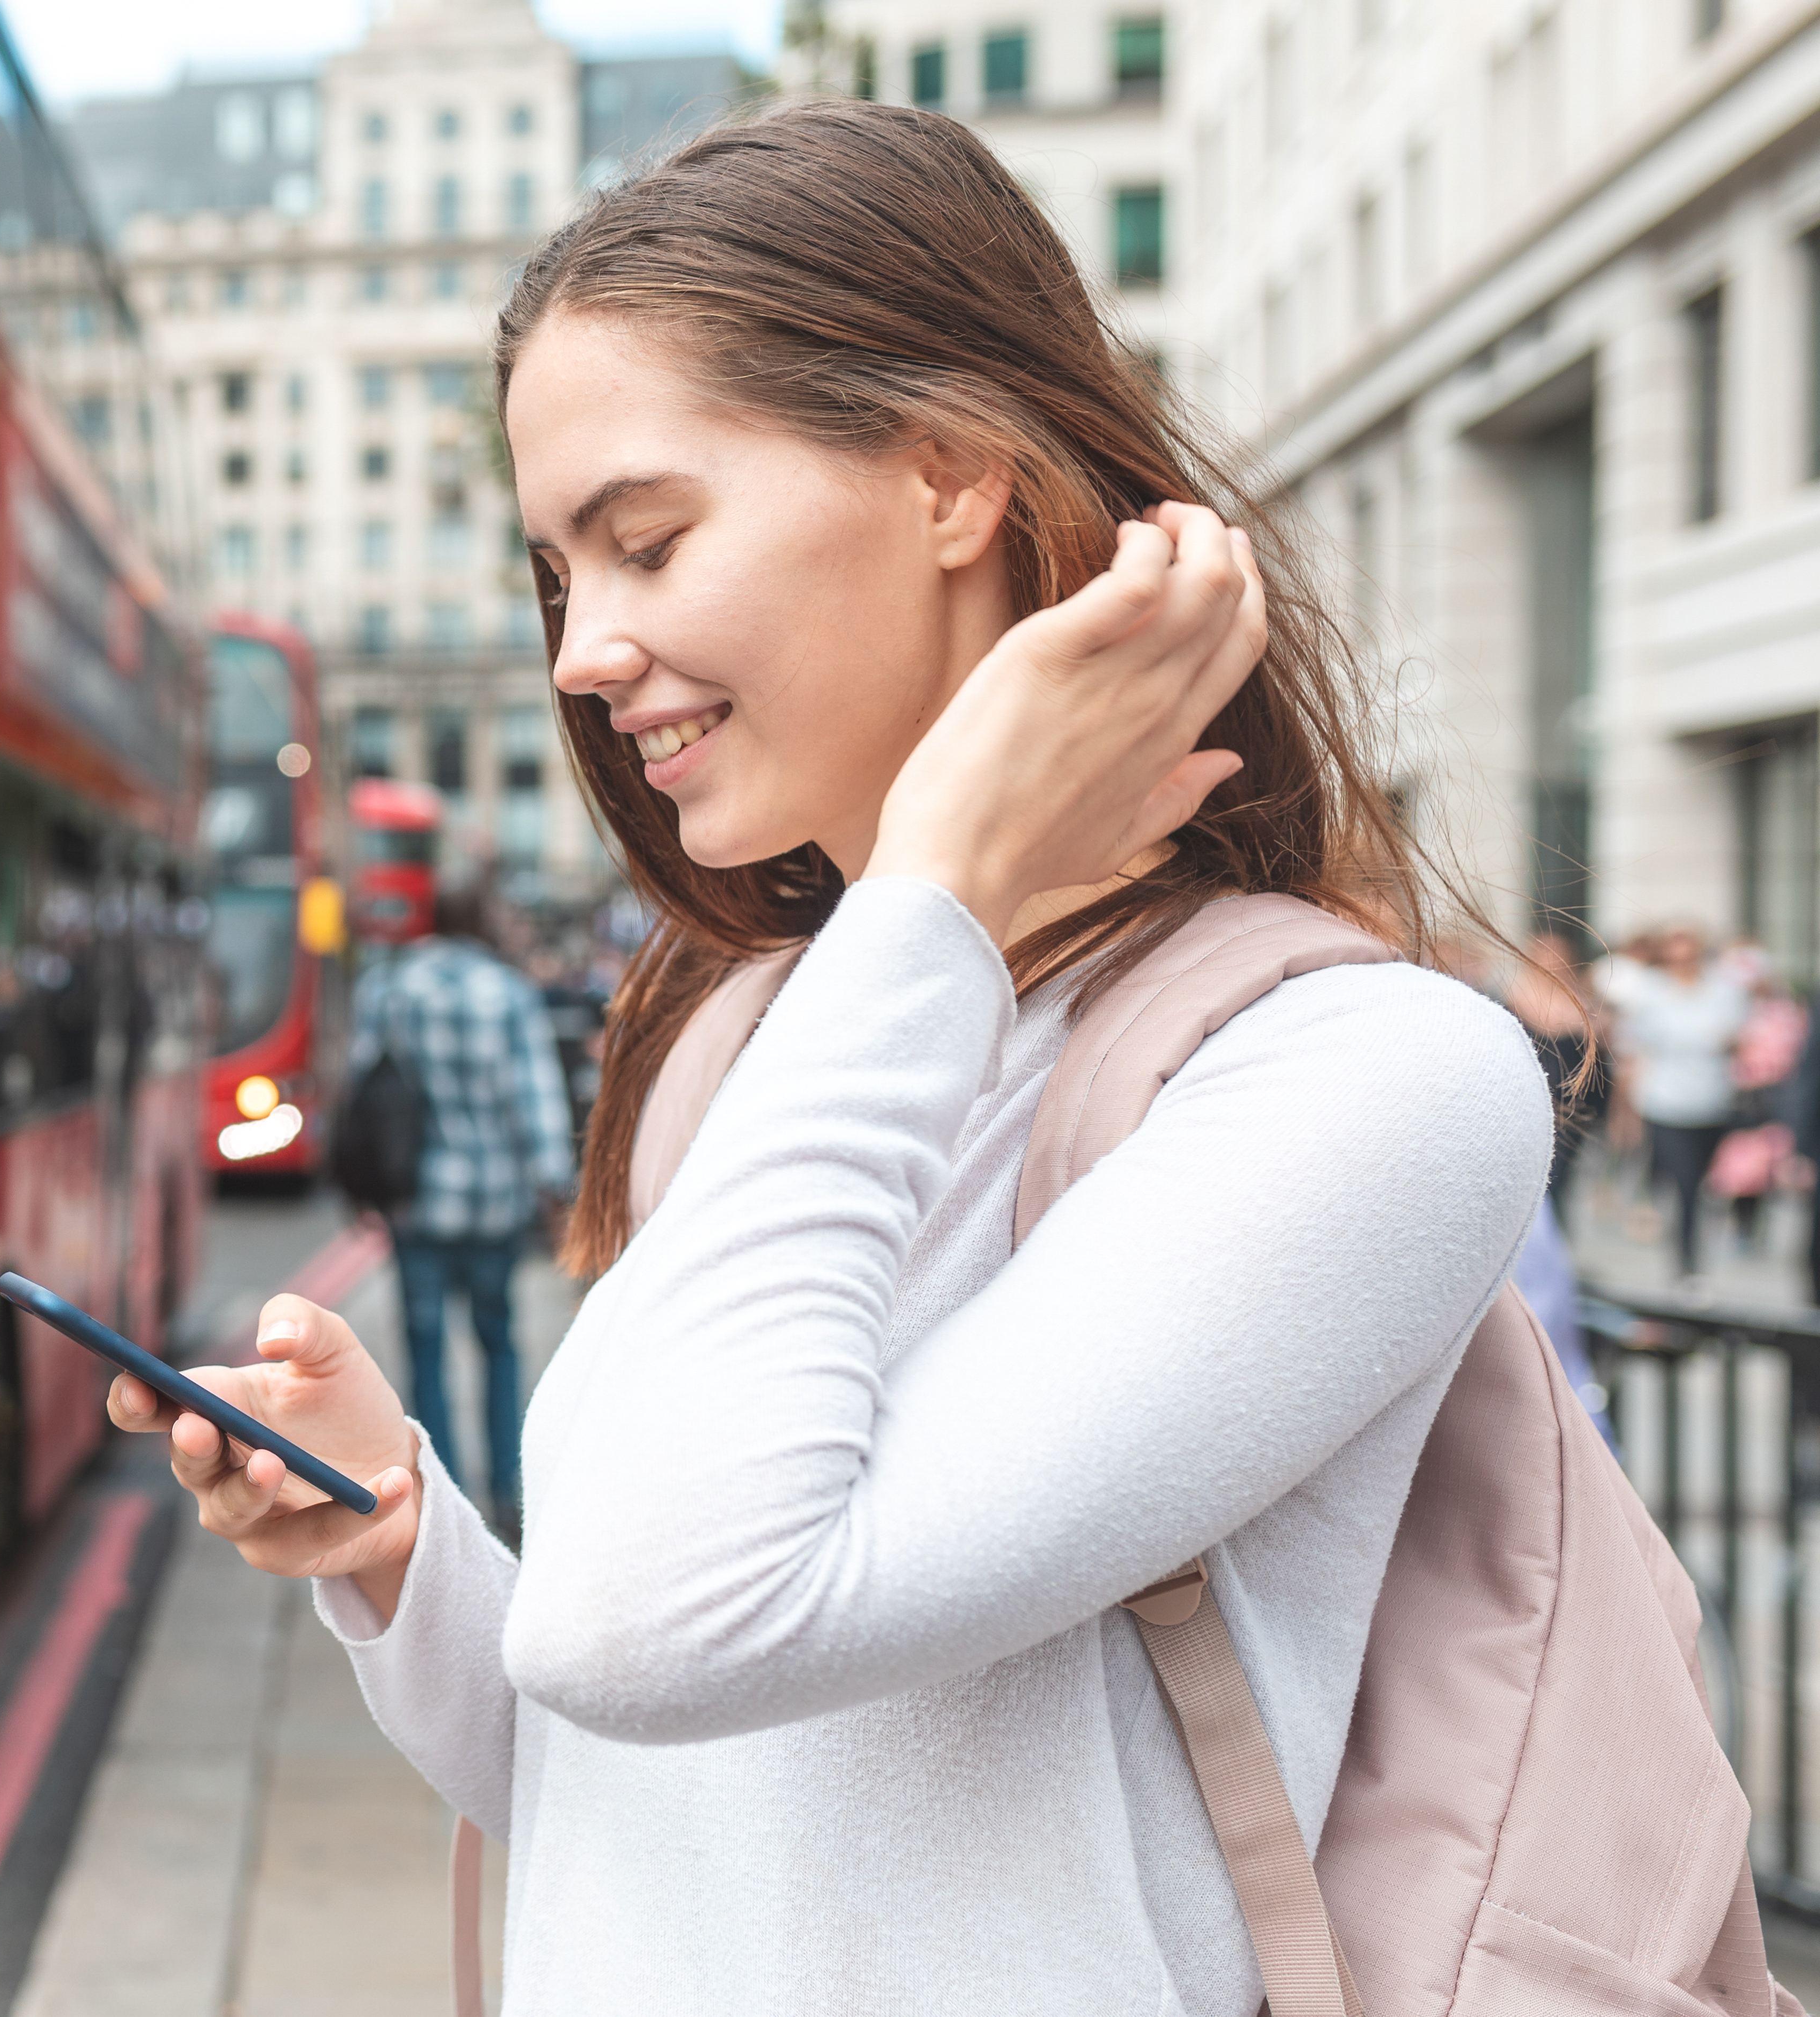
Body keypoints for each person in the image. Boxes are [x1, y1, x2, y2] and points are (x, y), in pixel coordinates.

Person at [103, 102, 1548, 2010]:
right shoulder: (754, 1029)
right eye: (560, 570)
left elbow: (670, 1616)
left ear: (949, 478)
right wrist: (397, 1543)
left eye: (643, 539)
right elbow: (637, 1787)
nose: (579, 654)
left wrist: (935, 876)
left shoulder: (1360, 1076)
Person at [348, 880, 573, 1536]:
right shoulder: (508, 993)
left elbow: (364, 1091)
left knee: (425, 1349)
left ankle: (442, 1499)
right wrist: (555, 1185)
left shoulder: (390, 990)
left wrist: (363, 1189)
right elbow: (536, 1100)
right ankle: (507, 1488)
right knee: (499, 1343)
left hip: (416, 1203)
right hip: (493, 1205)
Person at [1601, 923, 1750, 1284]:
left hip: (1713, 1102)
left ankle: (1707, 1247)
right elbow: (1632, 1050)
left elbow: (1740, 1040)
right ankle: (1687, 1263)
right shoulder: (1650, 993)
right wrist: (1624, 1109)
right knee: (1684, 1186)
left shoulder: (1725, 991)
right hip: (1666, 1103)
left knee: (1709, 1185)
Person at [1503, 928, 1604, 1216]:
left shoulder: (1582, 994)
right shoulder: (1517, 994)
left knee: (1564, 1176)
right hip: (1534, 1099)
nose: (1554, 961)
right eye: (1546, 954)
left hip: (1575, 1100)